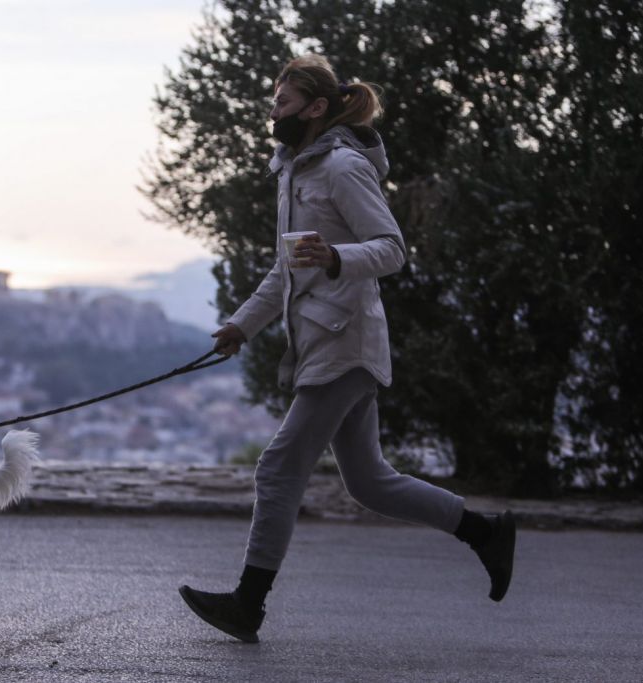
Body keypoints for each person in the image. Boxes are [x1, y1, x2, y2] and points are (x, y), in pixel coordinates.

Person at [178, 54, 516, 644]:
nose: (272, 113)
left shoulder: (340, 167)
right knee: (369, 482)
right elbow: (287, 270)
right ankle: (484, 532)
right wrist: (241, 326)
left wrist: (338, 257)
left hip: (346, 341)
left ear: (314, 108)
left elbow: (391, 248)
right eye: (272, 103)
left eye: (281, 104)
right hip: (320, 342)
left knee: (279, 467)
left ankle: (247, 605)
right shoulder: (293, 171)